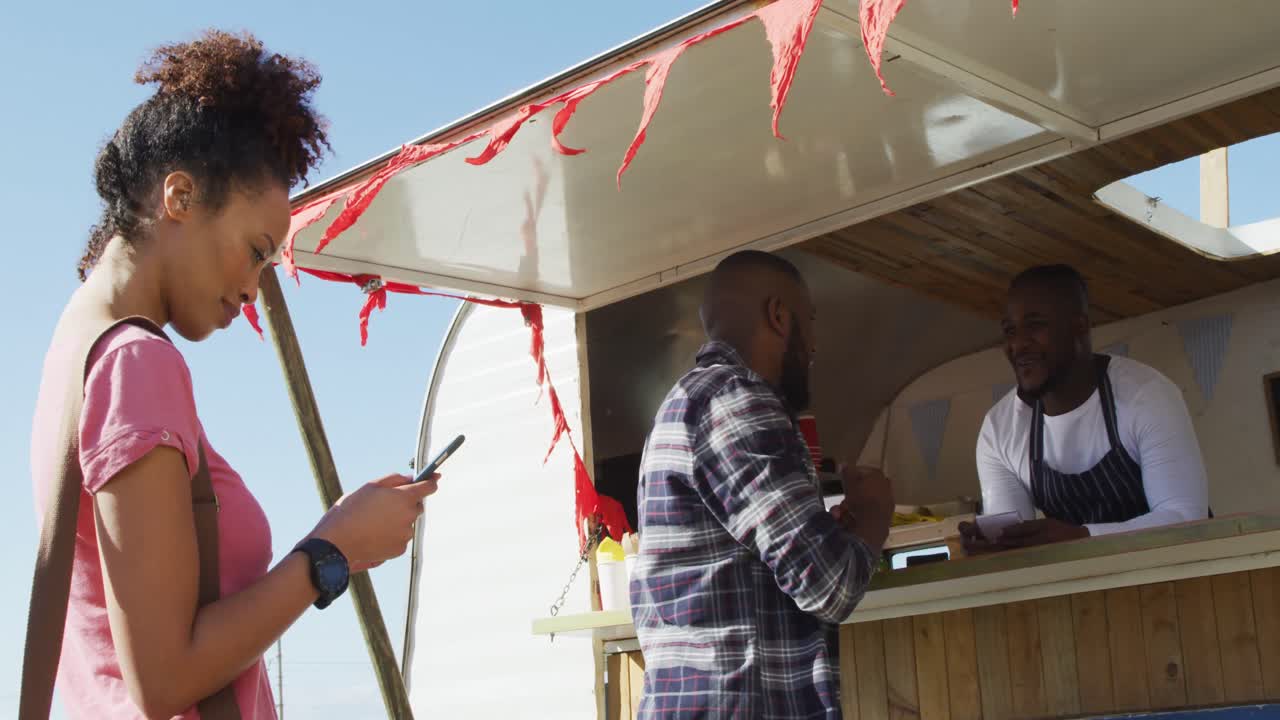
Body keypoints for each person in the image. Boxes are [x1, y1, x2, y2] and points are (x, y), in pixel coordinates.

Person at [28, 31, 439, 719]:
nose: (252, 289)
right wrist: (331, 552)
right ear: (180, 197)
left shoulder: (78, 349)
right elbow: (162, 679)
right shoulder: (137, 363)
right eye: (255, 252)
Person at [629, 250, 894, 719]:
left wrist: (831, 532)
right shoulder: (736, 401)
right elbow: (829, 585)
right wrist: (873, 509)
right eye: (808, 323)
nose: (812, 346)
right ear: (778, 315)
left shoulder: (688, 401)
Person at [963, 264, 1209, 551]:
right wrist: (994, 545)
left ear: (1079, 326)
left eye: (1035, 325)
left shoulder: (1146, 396)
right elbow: (1014, 542)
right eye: (1009, 331)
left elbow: (1185, 520)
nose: (1018, 344)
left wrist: (1081, 537)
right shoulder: (999, 430)